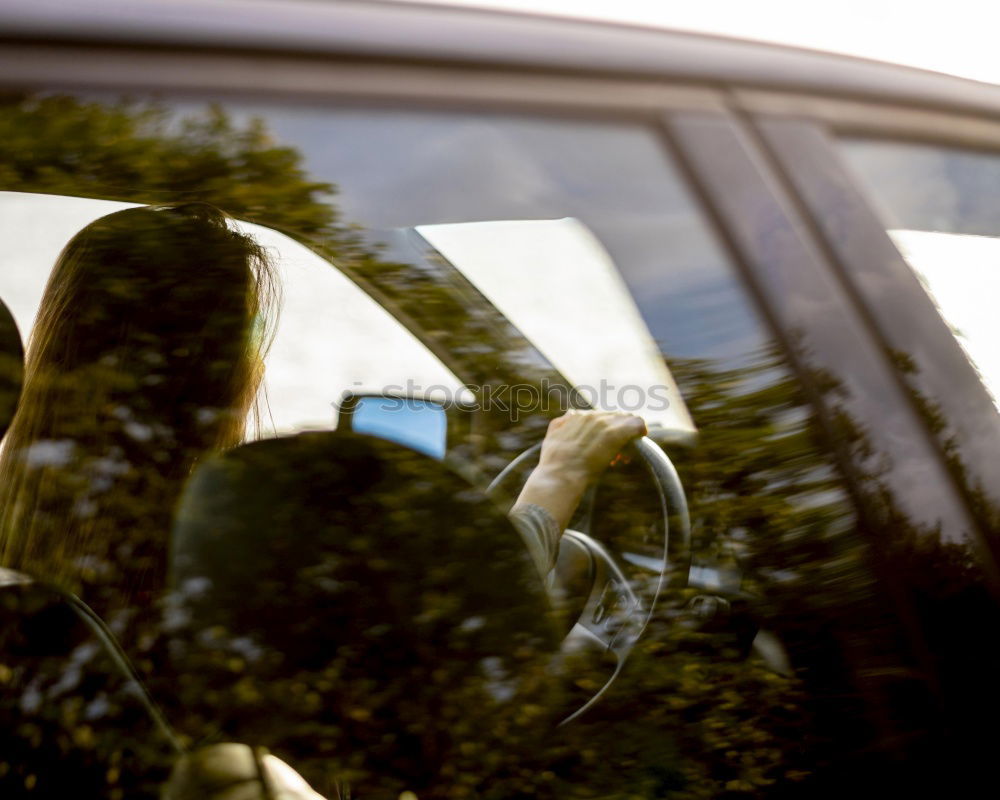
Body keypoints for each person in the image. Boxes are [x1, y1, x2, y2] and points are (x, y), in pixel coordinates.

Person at [0, 202, 279, 624]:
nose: (260, 360)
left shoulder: (20, 543)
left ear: (57, 338)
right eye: (252, 332)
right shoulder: (228, 576)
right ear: (214, 373)